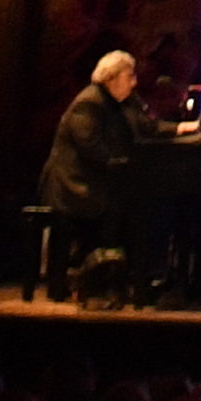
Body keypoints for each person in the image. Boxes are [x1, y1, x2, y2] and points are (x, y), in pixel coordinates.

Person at [37, 49, 144, 300]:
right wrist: (122, 164)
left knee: (123, 209)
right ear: (112, 78)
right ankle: (100, 282)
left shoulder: (116, 104)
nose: (134, 82)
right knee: (115, 212)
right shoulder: (89, 102)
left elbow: (143, 127)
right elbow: (89, 144)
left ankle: (108, 281)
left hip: (91, 182)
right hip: (71, 186)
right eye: (129, 76)